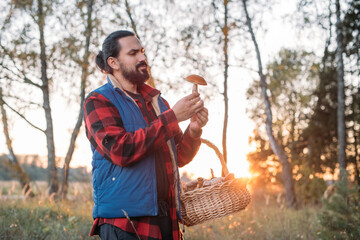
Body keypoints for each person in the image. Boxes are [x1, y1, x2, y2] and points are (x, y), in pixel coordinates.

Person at [83, 30, 208, 240]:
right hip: (125, 224)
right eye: (133, 53)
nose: (143, 58)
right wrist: (172, 118)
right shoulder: (98, 101)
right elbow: (120, 150)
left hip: (166, 218)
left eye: (142, 51)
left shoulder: (159, 103)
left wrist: (194, 131)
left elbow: (179, 157)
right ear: (113, 62)